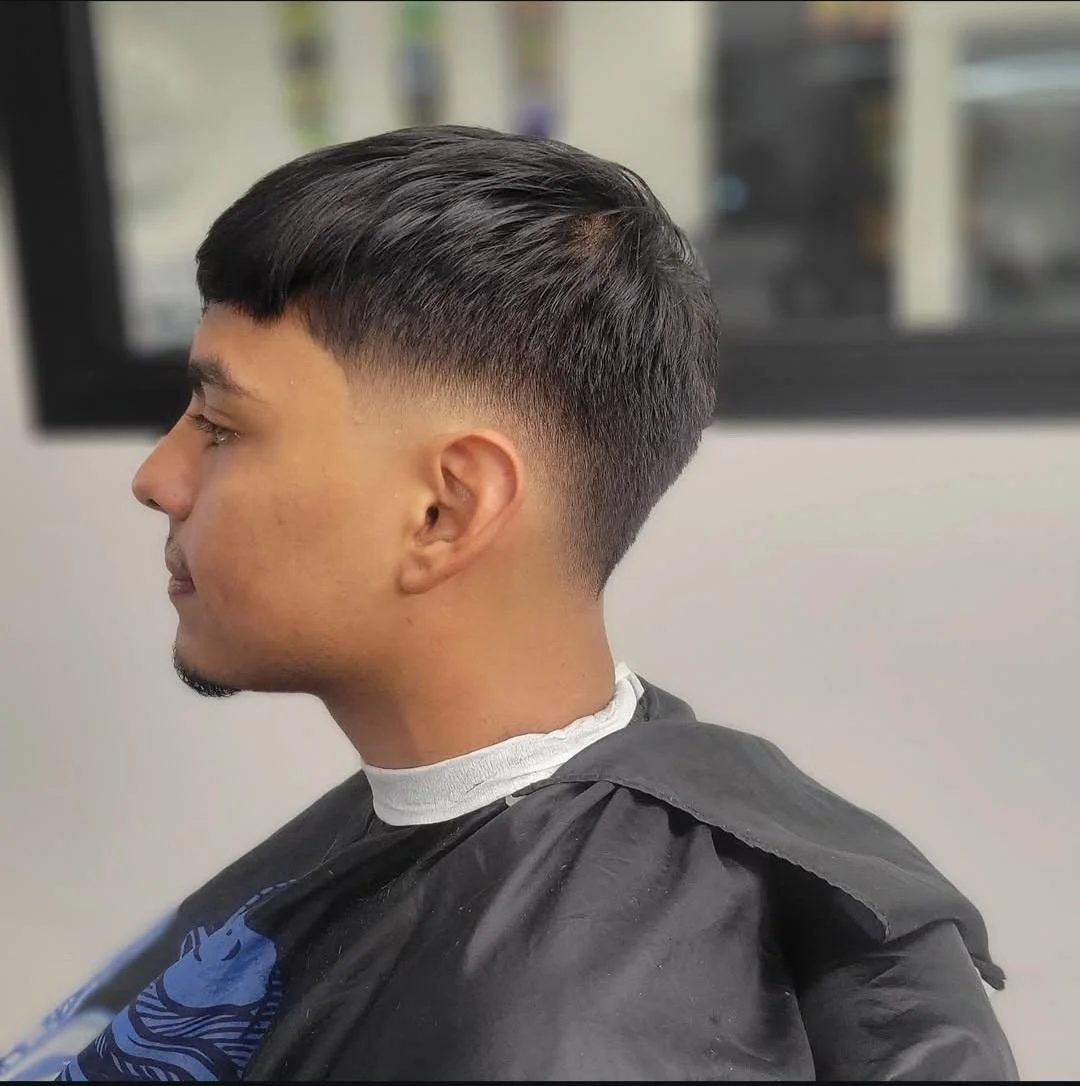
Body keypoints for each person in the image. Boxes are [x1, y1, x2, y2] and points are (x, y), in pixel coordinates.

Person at [1, 126, 1016, 1082]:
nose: (158, 476)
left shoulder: (573, 1029)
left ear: (445, 509)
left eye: (220, 427)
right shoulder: (477, 817)